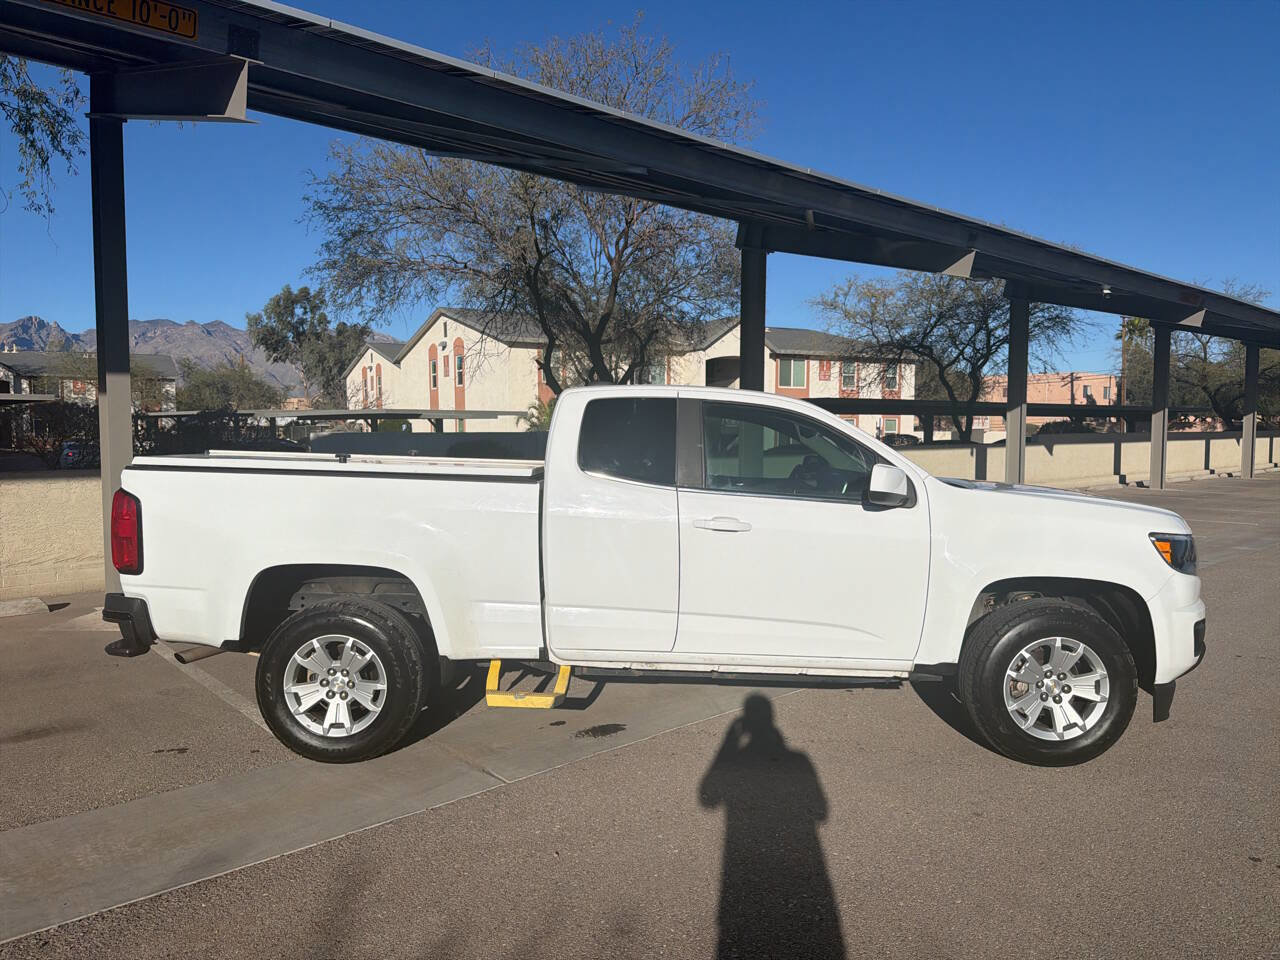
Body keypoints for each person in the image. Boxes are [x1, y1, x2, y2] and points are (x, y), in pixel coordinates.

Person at [699, 694, 845, 959]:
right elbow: (821, 812)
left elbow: (708, 798)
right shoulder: (799, 759)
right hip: (804, 855)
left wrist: (728, 744)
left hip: (741, 858)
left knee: (740, 920)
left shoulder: (740, 758)